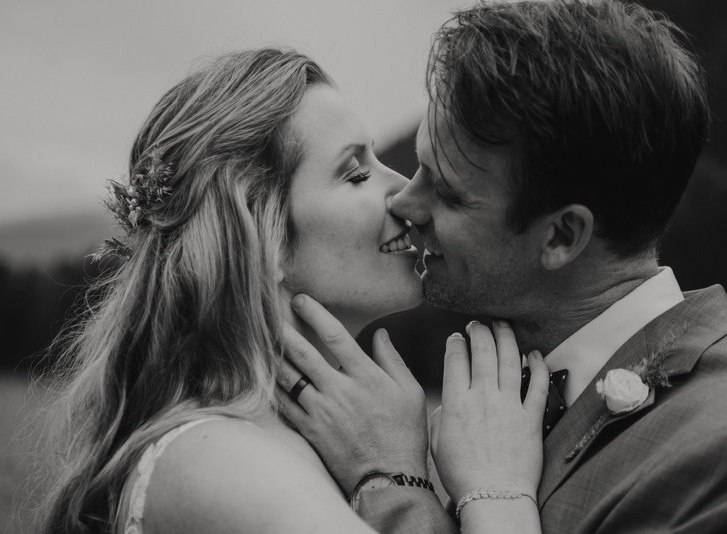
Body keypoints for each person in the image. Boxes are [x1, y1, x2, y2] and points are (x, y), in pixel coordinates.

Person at [38, 48, 548, 534]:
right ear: (264, 239)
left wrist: (394, 472)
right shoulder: (221, 463)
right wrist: (498, 493)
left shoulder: (290, 445)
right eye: (356, 173)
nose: (405, 193)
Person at [277, 1, 727, 533]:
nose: (403, 205)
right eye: (419, 164)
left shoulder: (710, 451)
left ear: (561, 236)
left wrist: (395, 483)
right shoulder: (469, 405)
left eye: (447, 193)